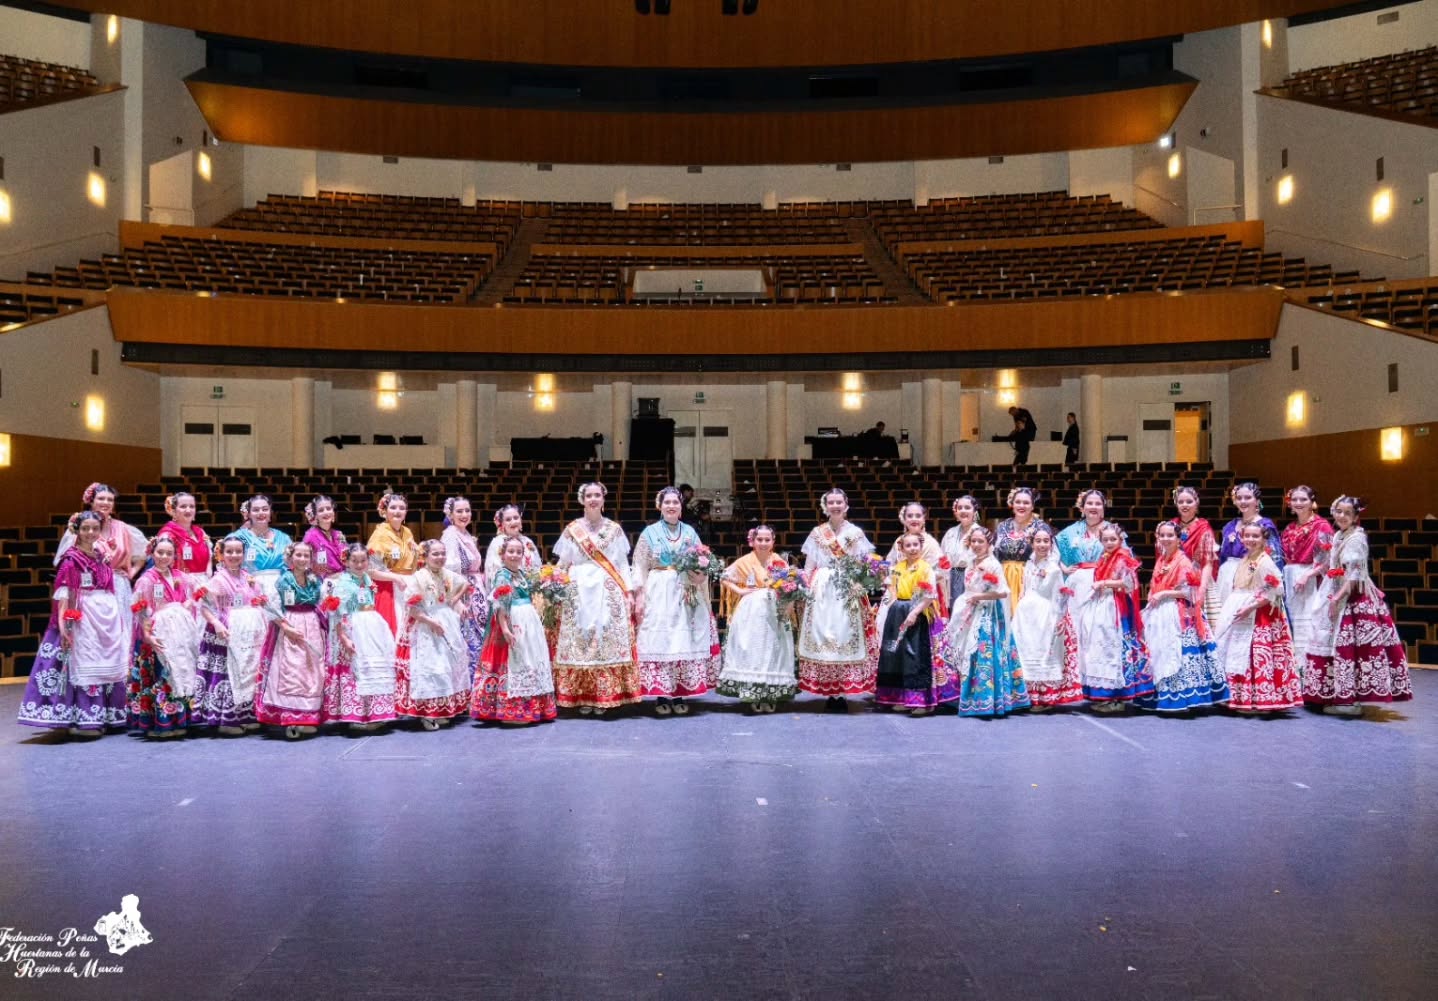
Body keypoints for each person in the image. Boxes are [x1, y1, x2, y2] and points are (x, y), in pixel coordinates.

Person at [18, 510, 129, 736]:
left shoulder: (100, 557)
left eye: (95, 529)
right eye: (85, 528)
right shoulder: (71, 560)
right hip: (80, 618)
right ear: (76, 530)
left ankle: (105, 716)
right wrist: (65, 626)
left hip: (103, 621)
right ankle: (84, 719)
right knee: (80, 664)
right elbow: (64, 596)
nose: (90, 533)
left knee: (104, 664)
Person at [1304, 495, 1413, 715]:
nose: (1342, 516)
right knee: (1333, 643)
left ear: (1355, 517)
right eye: (1339, 512)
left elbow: (1354, 576)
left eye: (1347, 513)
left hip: (1353, 597)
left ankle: (1349, 701)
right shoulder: (1339, 535)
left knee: (1350, 646)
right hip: (1336, 589)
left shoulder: (1356, 539)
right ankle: (1337, 695)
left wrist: (1336, 598)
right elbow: (1338, 568)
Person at [552, 482, 642, 716]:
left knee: (605, 638)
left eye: (597, 495)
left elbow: (622, 563)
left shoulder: (614, 529)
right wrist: (553, 583)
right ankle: (581, 695)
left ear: (603, 499)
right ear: (582, 499)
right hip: (577, 587)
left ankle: (604, 694)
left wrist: (629, 592)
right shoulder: (573, 529)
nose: (593, 499)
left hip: (607, 586)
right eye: (588, 495)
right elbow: (563, 562)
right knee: (580, 639)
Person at [633, 486, 719, 715]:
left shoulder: (690, 532)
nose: (671, 506)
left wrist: (700, 575)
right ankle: (661, 695)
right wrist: (639, 595)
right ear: (659, 506)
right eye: (667, 502)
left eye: (675, 503)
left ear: (681, 507)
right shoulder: (649, 533)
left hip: (685, 589)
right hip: (659, 588)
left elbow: (702, 559)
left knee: (684, 639)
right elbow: (640, 565)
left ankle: (680, 692)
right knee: (662, 638)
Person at [797, 487, 878, 712]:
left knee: (844, 637)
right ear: (825, 507)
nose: (835, 506)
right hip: (822, 588)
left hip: (847, 589)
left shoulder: (856, 533)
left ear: (846, 505)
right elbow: (809, 565)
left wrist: (861, 584)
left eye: (838, 502)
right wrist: (804, 587)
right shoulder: (817, 533)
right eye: (831, 502)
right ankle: (829, 692)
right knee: (823, 636)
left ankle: (842, 692)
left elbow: (864, 564)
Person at [1137, 521, 1228, 713]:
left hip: (1178, 612)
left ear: (1179, 539)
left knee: (1177, 652)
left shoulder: (1184, 561)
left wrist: (1164, 594)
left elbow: (1189, 593)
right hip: (1161, 611)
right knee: (1159, 650)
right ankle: (1162, 694)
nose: (1166, 539)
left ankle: (1179, 698)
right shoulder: (1163, 559)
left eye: (1170, 535)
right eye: (1162, 535)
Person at [1213, 522, 1302, 714]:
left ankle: (1262, 699)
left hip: (1260, 613)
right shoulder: (1246, 558)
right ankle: (1243, 697)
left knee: (1256, 654)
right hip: (1243, 606)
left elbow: (1276, 588)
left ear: (1263, 539)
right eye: (1247, 536)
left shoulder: (1265, 560)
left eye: (1255, 536)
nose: (1251, 540)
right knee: (1238, 652)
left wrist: (1251, 606)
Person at [53, 483, 146, 658]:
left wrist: (131, 573)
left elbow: (143, 553)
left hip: (118, 585)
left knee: (120, 632)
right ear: (91, 501)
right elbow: (64, 560)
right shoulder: (81, 526)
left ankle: (118, 680)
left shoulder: (123, 528)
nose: (106, 502)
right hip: (89, 589)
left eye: (110, 500)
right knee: (91, 634)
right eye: (101, 498)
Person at [472, 536, 558, 725]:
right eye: (511, 551)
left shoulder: (520, 573)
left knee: (529, 659)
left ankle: (531, 704)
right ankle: (512, 708)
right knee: (515, 660)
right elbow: (501, 606)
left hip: (527, 620)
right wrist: (505, 629)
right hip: (513, 621)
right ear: (502, 554)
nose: (515, 555)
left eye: (519, 552)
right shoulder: (503, 575)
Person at [946, 526, 1030, 717]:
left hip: (987, 612)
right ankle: (964, 696)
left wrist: (980, 596)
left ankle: (986, 700)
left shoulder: (993, 564)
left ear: (988, 544)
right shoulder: (971, 561)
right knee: (964, 651)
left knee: (983, 652)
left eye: (980, 542)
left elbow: (1003, 592)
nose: (976, 545)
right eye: (973, 541)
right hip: (968, 608)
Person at [716, 525, 798, 713]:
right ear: (752, 541)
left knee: (774, 650)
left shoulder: (779, 562)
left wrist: (788, 602)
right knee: (754, 650)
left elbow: (791, 585)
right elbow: (724, 577)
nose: (763, 543)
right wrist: (740, 590)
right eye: (759, 539)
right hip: (750, 611)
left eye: (767, 539)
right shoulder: (744, 561)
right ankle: (753, 693)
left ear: (773, 541)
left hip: (775, 610)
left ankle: (771, 694)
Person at [194, 535, 270, 735]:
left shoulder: (248, 577)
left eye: (238, 551)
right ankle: (226, 719)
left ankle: (245, 715)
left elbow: (256, 601)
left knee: (247, 671)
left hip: (247, 632)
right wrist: (217, 623)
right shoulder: (218, 579)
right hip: (226, 632)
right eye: (229, 552)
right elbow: (205, 607)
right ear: (221, 554)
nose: (234, 555)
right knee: (228, 673)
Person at [127, 535, 201, 738]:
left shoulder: (180, 576)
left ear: (175, 555)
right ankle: (160, 723)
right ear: (152, 553)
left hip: (180, 633)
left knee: (181, 671)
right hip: (158, 631)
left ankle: (179, 720)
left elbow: (196, 594)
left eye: (169, 553)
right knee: (162, 672)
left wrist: (187, 605)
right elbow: (140, 610)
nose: (164, 557)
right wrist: (148, 634)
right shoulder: (146, 580)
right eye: (160, 552)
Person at [394, 540, 472, 729]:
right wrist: (431, 622)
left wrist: (455, 601)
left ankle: (442, 710)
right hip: (425, 625)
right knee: (431, 666)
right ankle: (427, 713)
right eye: (435, 554)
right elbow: (412, 608)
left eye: (442, 553)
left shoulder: (446, 574)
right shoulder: (418, 578)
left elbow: (464, 583)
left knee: (448, 665)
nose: (440, 558)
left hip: (445, 620)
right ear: (425, 557)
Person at [1076, 523, 1154, 712]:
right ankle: (1104, 694)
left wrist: (1104, 583)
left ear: (1120, 540)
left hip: (1115, 607)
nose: (1109, 542)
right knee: (1100, 647)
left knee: (1114, 648)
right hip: (1102, 604)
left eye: (1113, 539)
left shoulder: (1123, 557)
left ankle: (1116, 696)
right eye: (1106, 539)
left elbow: (1128, 583)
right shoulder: (1104, 557)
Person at [321, 542, 397, 732]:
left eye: (363, 560)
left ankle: (373, 712)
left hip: (371, 624)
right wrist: (344, 638)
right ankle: (357, 714)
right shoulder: (344, 583)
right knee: (357, 668)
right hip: (353, 626)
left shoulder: (367, 579)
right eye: (355, 560)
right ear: (347, 561)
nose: (359, 564)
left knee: (373, 666)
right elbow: (337, 612)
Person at [254, 540, 327, 738]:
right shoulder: (282, 581)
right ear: (290, 558)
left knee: (311, 671)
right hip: (289, 623)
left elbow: (321, 603)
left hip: (311, 624)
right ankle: (290, 718)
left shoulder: (315, 580)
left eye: (306, 556)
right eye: (299, 555)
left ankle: (307, 716)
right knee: (291, 669)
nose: (303, 559)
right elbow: (272, 607)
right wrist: (287, 627)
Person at [875, 531, 949, 716]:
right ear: (902, 548)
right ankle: (901, 697)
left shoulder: (925, 569)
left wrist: (914, 613)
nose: (912, 548)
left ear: (921, 546)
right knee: (896, 654)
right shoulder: (897, 568)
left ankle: (921, 701)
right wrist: (892, 609)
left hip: (918, 613)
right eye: (908, 545)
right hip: (898, 612)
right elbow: (891, 590)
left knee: (916, 656)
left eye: (915, 545)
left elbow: (930, 595)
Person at [1010, 526, 1083, 710]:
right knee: (1026, 650)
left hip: (1044, 615)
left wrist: (1059, 619)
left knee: (1042, 652)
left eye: (1046, 541)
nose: (1042, 544)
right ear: (1032, 543)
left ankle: (1044, 698)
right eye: (1038, 541)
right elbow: (1026, 588)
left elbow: (1059, 595)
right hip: (1026, 616)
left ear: (1051, 544)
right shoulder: (1029, 564)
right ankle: (1027, 695)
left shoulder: (1054, 568)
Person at [1280, 485, 1335, 666]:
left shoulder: (1322, 526)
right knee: (1292, 620)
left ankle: (1311, 667)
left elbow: (1328, 558)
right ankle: (1295, 668)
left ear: (1312, 502)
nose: (1298, 503)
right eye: (1295, 499)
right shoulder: (1289, 528)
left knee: (1310, 621)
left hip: (1312, 578)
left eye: (1303, 499)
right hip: (1290, 577)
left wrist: (1307, 575)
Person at [440, 496, 490, 680]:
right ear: (451, 514)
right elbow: (449, 571)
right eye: (459, 511)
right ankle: (468, 684)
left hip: (475, 589)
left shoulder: (466, 534)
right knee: (468, 637)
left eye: (467, 510)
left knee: (478, 636)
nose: (464, 514)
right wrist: (457, 601)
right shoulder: (451, 535)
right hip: (464, 592)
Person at [1216, 482, 1284, 605]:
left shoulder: (1265, 525)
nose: (1243, 501)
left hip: (1252, 573)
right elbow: (1223, 557)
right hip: (1226, 578)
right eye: (1239, 498)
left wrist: (1249, 575)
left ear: (1257, 501)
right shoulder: (1229, 526)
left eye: (1248, 497)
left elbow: (1273, 559)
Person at [366, 488, 419, 636]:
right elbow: (370, 570)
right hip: (388, 588)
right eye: (393, 507)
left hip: (407, 586)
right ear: (385, 511)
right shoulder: (380, 534)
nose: (397, 511)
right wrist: (396, 578)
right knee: (392, 633)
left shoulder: (407, 532)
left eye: (402, 508)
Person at [1168, 486, 1221, 624]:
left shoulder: (1203, 527)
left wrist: (1202, 590)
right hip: (1175, 578)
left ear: (1196, 503)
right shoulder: (1171, 525)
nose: (1184, 505)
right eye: (1181, 502)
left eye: (1189, 501)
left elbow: (1208, 562)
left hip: (1198, 578)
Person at [993, 487, 1049, 612]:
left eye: (1026, 502)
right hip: (1003, 578)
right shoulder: (1002, 526)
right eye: (1018, 502)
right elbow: (993, 553)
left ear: (1032, 506)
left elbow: (1051, 554)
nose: (1021, 505)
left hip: (1029, 578)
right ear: (1012, 504)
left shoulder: (1041, 527)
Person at [234, 494, 293, 606]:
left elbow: (292, 567)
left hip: (281, 589)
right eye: (256, 510)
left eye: (265, 509)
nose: (261, 513)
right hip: (251, 589)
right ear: (249, 514)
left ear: (270, 512)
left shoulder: (284, 538)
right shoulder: (240, 538)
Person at [155, 491, 212, 579]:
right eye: (183, 506)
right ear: (174, 511)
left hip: (203, 585)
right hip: (178, 584)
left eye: (192, 506)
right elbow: (163, 565)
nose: (188, 510)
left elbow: (209, 559)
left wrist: (206, 579)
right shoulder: (167, 535)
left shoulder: (201, 532)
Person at [939, 495, 981, 600]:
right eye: (960, 508)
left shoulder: (981, 533)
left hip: (973, 579)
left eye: (967, 508)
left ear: (975, 511)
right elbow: (941, 558)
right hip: (951, 578)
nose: (963, 511)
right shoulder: (950, 533)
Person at [301, 495, 347, 580]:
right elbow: (303, 564)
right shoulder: (310, 536)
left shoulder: (339, 534)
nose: (326, 512)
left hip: (344, 580)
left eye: (329, 509)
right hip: (322, 583)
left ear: (333, 512)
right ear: (315, 515)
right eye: (321, 510)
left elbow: (348, 559)